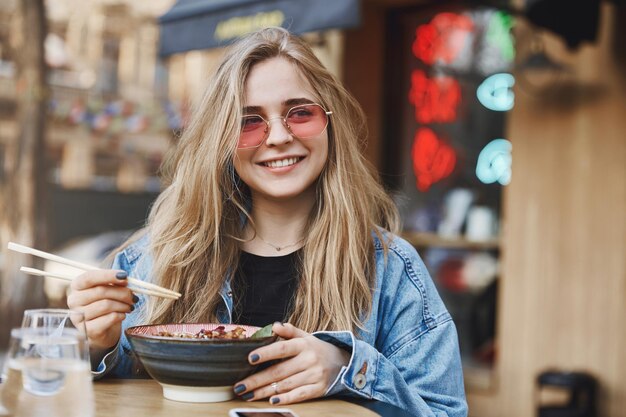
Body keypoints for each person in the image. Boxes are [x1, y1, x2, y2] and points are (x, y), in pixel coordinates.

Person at [66, 27, 467, 416]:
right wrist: (97, 346)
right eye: (249, 122)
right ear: (221, 138)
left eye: (300, 113)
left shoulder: (391, 268)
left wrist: (349, 368)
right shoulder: (155, 256)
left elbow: (441, 412)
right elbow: (97, 393)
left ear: (331, 123)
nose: (278, 136)